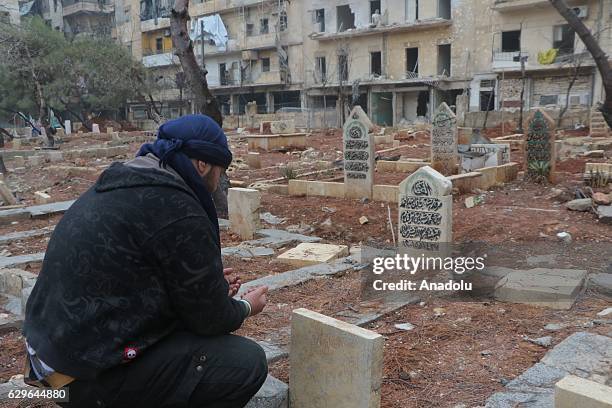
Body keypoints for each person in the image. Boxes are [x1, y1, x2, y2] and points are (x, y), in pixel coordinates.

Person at [23, 114, 269, 408]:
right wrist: (244, 306)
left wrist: (207, 288)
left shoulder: (124, 180)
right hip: (85, 380)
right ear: (203, 165)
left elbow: (138, 276)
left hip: (51, 361)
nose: (219, 181)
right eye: (220, 169)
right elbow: (211, 321)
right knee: (245, 362)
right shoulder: (177, 206)